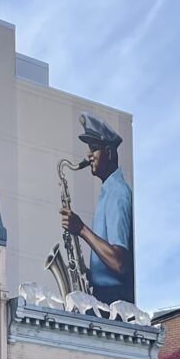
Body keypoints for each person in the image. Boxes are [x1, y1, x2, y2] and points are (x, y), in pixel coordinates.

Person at [60, 113, 134, 305]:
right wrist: (86, 274)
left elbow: (119, 263)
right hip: (105, 297)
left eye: (94, 149)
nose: (88, 155)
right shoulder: (108, 191)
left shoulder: (118, 193)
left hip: (114, 302)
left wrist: (81, 229)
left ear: (108, 153)